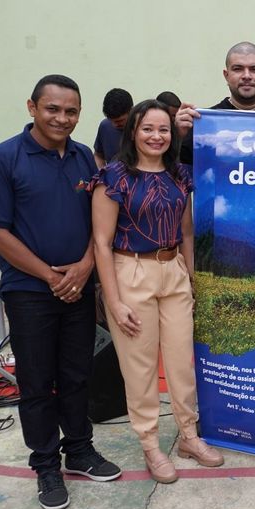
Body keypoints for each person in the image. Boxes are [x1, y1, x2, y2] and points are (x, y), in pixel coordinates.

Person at [0, 74, 121, 509]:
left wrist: (82, 268)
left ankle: (79, 450)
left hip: (79, 286)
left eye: (71, 111)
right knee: (38, 382)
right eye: (53, 109)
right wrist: (49, 275)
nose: (62, 118)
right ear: (32, 107)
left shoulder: (84, 160)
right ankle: (45, 465)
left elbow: (99, 226)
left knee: (78, 375)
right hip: (30, 292)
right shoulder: (4, 158)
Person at [92, 98, 223, 483]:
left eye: (163, 129)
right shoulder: (114, 177)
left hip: (173, 271)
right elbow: (101, 242)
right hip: (130, 270)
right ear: (133, 131)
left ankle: (188, 435)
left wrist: (193, 279)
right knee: (141, 366)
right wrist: (113, 300)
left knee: (182, 362)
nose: (156, 135)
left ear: (173, 133)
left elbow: (185, 233)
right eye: (148, 128)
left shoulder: (179, 175)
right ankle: (149, 443)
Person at [177, 41, 255, 165]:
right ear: (226, 75)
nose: (246, 76)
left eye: (254, 69)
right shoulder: (205, 123)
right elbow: (179, 175)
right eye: (238, 69)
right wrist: (179, 138)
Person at [93, 88, 134, 169]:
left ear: (131, 110)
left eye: (120, 121)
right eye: (111, 120)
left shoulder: (144, 129)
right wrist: (102, 174)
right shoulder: (105, 126)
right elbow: (98, 155)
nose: (114, 125)